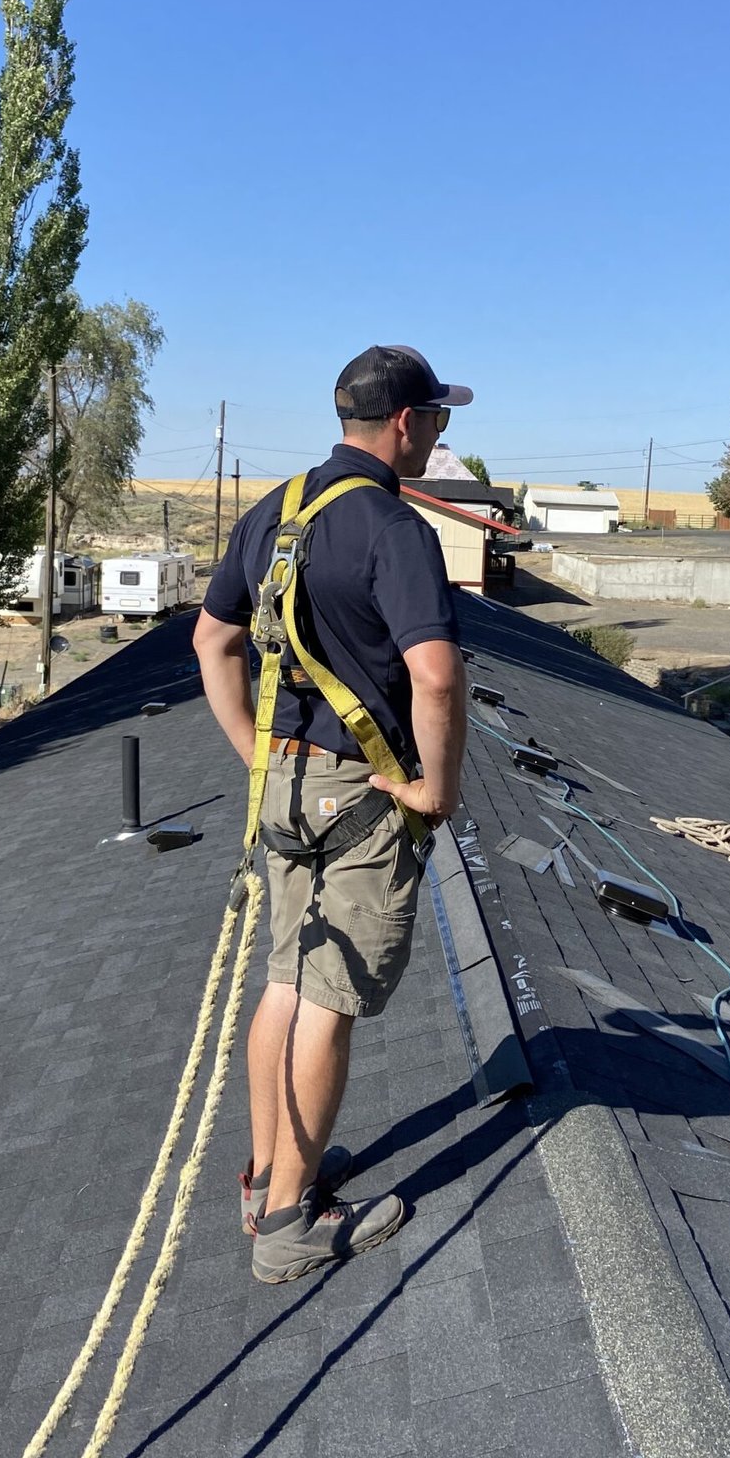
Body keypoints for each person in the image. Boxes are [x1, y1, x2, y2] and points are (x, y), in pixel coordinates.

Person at [193, 345, 471, 1284]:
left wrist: (256, 751)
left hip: (280, 789)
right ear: (405, 423)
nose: (437, 433)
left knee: (284, 979)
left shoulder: (275, 512)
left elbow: (213, 640)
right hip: (361, 793)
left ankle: (273, 1173)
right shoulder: (394, 528)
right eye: (437, 418)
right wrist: (435, 789)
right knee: (329, 998)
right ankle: (287, 1223)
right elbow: (436, 675)